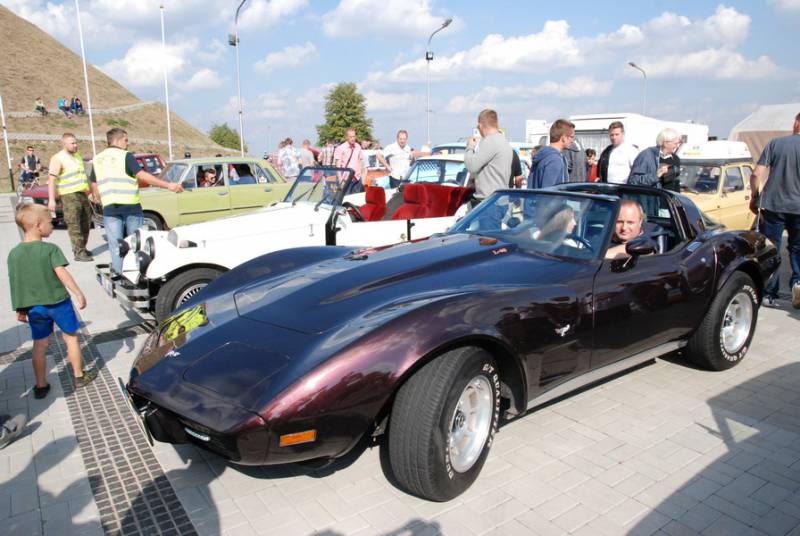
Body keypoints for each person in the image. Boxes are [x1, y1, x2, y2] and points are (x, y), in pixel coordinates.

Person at [8, 204, 98, 399]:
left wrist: (20, 308)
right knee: (71, 338)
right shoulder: (50, 249)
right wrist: (78, 293)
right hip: (59, 303)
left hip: (35, 307)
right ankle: (79, 375)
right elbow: (62, 274)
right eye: (50, 222)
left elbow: (16, 283)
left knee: (39, 344)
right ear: (38, 225)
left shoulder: (14, 254)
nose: (52, 226)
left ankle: (41, 385)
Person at [89, 128, 183, 274]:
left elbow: (94, 181)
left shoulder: (98, 158)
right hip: (130, 207)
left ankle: (119, 275)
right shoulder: (125, 156)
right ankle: (135, 273)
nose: (127, 144)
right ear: (117, 140)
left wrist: (99, 197)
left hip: (110, 209)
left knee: (116, 245)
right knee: (136, 242)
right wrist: (168, 185)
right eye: (125, 140)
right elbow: (142, 176)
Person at [750, 111, 800, 308]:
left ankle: (769, 293)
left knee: (771, 249)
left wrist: (755, 196)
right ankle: (797, 284)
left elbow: (756, 174)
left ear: (797, 123)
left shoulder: (776, 144)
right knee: (797, 248)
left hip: (773, 205)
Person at [48, 133, 93, 261]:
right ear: (64, 144)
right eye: (72, 143)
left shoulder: (77, 157)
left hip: (81, 193)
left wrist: (90, 192)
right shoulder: (58, 158)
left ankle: (82, 247)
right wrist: (51, 199)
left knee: (86, 222)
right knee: (74, 224)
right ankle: (79, 252)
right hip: (68, 195)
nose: (75, 145)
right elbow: (51, 180)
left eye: (76, 142)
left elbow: (83, 176)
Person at [464, 109, 513, 206]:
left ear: (481, 126)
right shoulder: (503, 141)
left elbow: (471, 166)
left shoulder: (490, 141)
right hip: (500, 199)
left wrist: (470, 147)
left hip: (488, 202)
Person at [527, 119, 574, 189]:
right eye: (571, 137)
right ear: (564, 138)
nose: (572, 141)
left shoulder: (542, 156)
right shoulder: (555, 160)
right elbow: (548, 193)